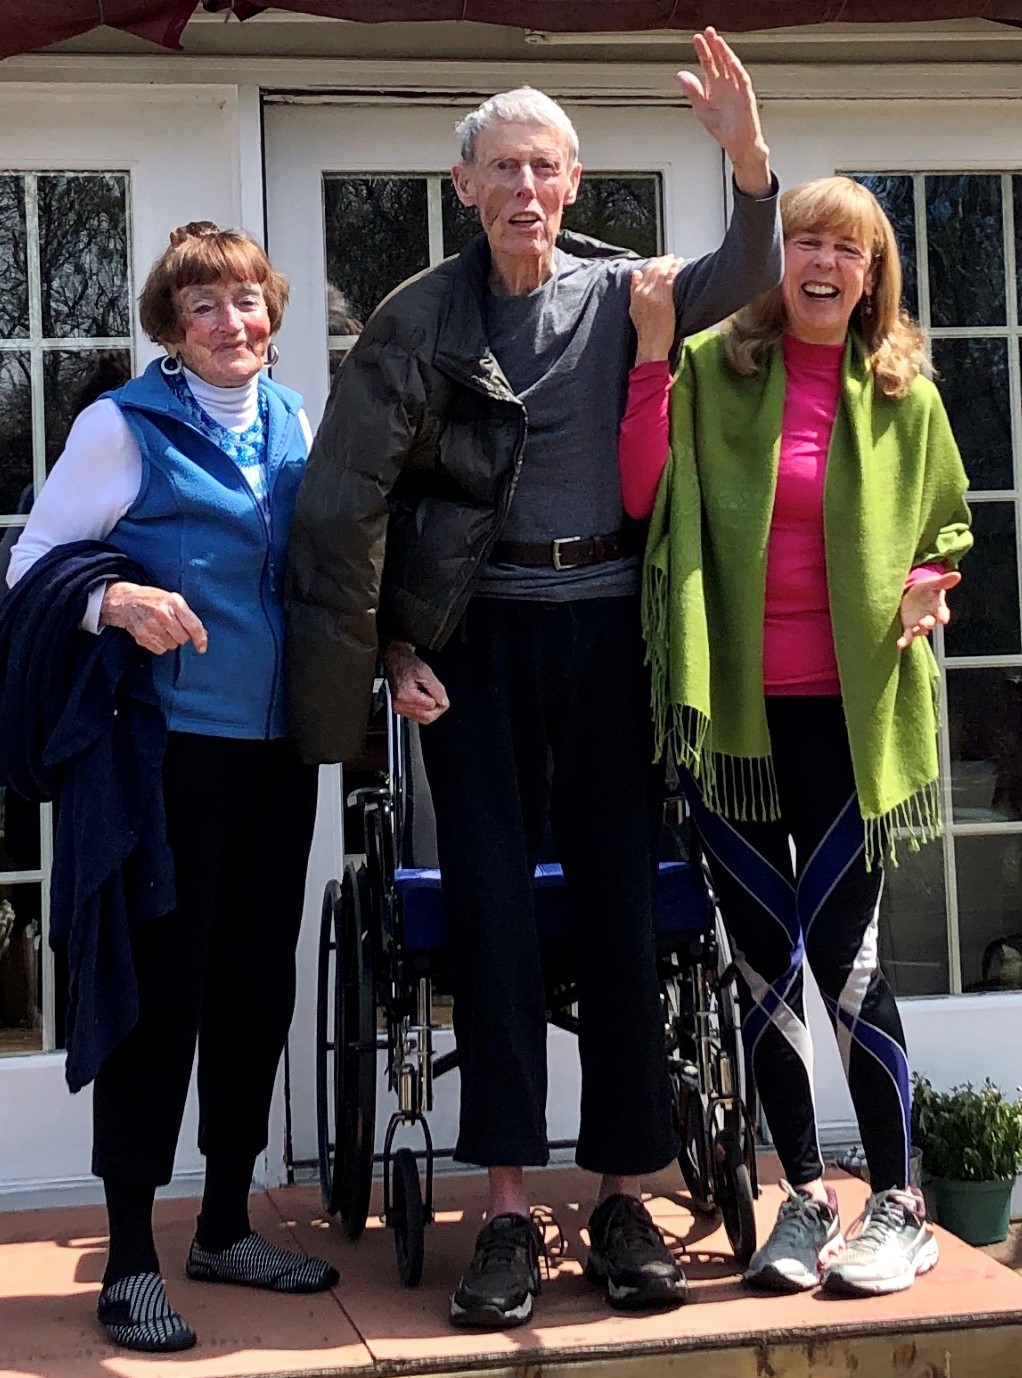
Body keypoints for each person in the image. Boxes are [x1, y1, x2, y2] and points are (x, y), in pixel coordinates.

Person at [288, 29, 782, 1330]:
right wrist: (392, 650)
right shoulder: (419, 315)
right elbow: (355, 498)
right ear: (465, 185)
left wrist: (743, 157)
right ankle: (504, 1202)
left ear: (572, 182)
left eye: (545, 167)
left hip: (610, 633)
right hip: (478, 639)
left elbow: (752, 271)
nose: (524, 187)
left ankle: (624, 1184)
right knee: (493, 910)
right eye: (501, 165)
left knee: (622, 907)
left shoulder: (630, 291)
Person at [627, 176, 972, 1298]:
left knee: (845, 961)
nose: (821, 260)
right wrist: (646, 349)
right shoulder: (713, 369)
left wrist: (927, 578)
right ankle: (802, 1200)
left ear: (872, 273)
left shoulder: (900, 393)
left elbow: (944, 518)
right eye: (804, 240)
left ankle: (899, 1201)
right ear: (783, 261)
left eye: (845, 246)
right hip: (733, 716)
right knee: (761, 969)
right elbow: (645, 495)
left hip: (847, 719)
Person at [8, 222, 336, 1353]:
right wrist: (117, 601)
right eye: (205, 307)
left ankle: (228, 1224)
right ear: (169, 325)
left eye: (247, 302)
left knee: (255, 986)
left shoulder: (295, 422)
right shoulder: (120, 425)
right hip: (165, 758)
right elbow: (31, 558)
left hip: (276, 753)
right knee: (158, 994)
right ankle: (132, 1257)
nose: (232, 324)